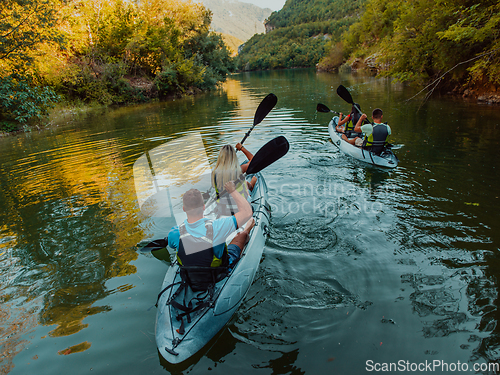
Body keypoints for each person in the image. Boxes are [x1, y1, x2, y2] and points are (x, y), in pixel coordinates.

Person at [167, 183, 254, 276]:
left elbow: (172, 245)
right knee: (242, 235)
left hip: (189, 275)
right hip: (217, 273)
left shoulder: (174, 233)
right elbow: (247, 212)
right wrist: (232, 190)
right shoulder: (218, 226)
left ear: (184, 209)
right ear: (204, 207)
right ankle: (248, 227)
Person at [211, 143, 257, 216]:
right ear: (234, 157)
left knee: (243, 181)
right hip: (240, 208)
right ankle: (251, 183)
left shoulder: (215, 172)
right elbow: (254, 160)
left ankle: (249, 184)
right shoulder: (240, 169)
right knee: (250, 180)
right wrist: (241, 148)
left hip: (222, 209)